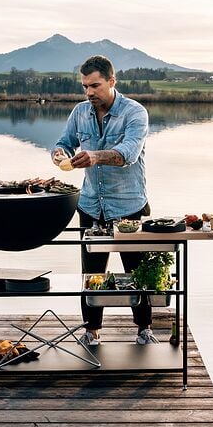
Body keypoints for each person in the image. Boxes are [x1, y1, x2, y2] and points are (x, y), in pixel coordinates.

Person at [51, 55, 158, 346]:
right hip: (89, 206)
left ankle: (144, 329)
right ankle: (91, 330)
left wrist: (95, 156)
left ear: (112, 81)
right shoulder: (79, 112)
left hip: (129, 206)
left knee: (137, 273)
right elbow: (63, 142)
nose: (89, 93)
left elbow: (129, 153)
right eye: (85, 86)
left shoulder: (135, 113)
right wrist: (59, 154)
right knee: (92, 273)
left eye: (95, 85)